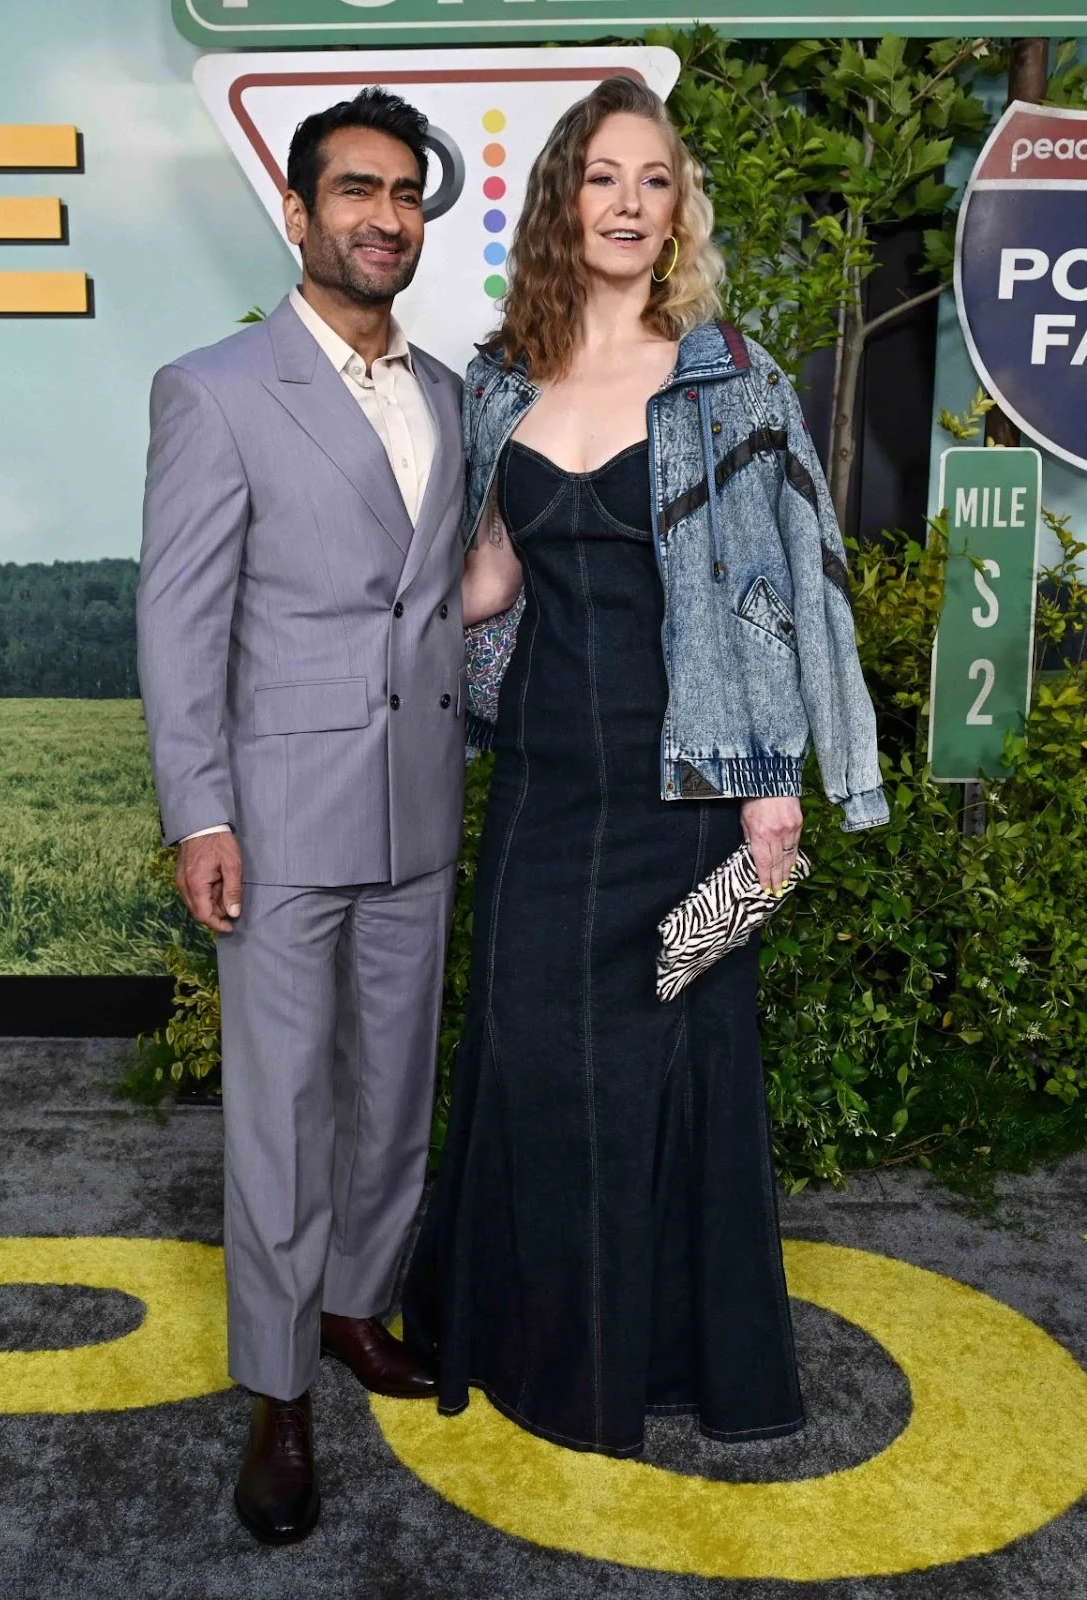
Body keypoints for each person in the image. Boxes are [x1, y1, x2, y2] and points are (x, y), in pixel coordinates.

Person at [403, 75, 888, 1459]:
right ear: (565, 199)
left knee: (663, 1063)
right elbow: (493, 574)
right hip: (542, 786)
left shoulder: (731, 378)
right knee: (530, 1055)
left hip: (688, 790)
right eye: (604, 177)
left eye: (654, 180)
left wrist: (775, 785)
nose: (628, 203)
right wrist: (352, 634)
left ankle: (655, 1360)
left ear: (680, 213)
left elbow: (785, 585)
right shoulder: (504, 381)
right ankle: (529, 1342)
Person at [137, 89, 467, 1543]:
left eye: (403, 194)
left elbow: (442, 592)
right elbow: (178, 621)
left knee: (393, 1092)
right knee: (281, 1114)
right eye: (355, 190)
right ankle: (277, 1391)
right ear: (298, 210)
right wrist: (199, 812)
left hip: (419, 807)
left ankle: (354, 1306)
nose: (384, 216)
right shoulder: (214, 389)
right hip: (275, 817)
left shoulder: (449, 392)